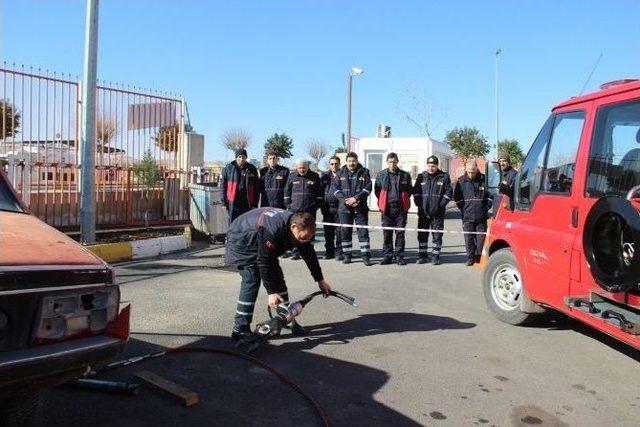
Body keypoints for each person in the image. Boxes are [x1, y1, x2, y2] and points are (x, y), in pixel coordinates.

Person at [225, 208, 331, 340]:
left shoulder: (300, 227)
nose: (302, 242)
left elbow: (308, 253)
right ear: (293, 227)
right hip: (242, 240)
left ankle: (286, 318)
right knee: (252, 278)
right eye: (301, 238)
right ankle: (240, 329)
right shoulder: (273, 230)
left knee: (278, 278)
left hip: (260, 241)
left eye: (306, 239)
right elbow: (263, 260)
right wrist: (271, 293)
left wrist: (320, 280)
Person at [332, 152, 373, 266]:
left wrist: (355, 198)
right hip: (344, 209)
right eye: (349, 161)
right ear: (346, 161)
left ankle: (365, 257)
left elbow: (368, 188)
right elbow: (335, 190)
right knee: (345, 232)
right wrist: (347, 200)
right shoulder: (340, 173)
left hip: (360, 208)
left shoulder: (365, 172)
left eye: (353, 161)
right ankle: (347, 256)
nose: (351, 163)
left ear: (357, 161)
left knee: (363, 232)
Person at [413, 155, 452, 265]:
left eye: (433, 166)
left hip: (437, 213)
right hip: (423, 213)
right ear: (427, 165)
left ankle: (435, 256)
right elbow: (415, 191)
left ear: (437, 166)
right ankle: (422, 256)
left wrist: (441, 205)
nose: (431, 168)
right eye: (429, 166)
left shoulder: (444, 177)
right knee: (422, 235)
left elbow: (449, 193)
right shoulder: (421, 176)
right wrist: (419, 204)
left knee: (437, 235)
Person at [374, 152, 412, 266]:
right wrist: (383, 201)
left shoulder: (405, 175)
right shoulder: (381, 175)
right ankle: (388, 256)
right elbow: (377, 191)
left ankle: (399, 257)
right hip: (387, 209)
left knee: (400, 233)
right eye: (390, 162)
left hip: (400, 209)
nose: (392, 164)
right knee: (387, 233)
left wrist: (404, 201)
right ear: (387, 162)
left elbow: (409, 191)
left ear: (397, 162)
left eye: (394, 162)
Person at [453, 160, 491, 266]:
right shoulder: (461, 181)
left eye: (473, 172)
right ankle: (470, 258)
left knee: (480, 239)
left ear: (476, 169)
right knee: (468, 238)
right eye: (469, 172)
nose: (471, 174)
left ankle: (479, 258)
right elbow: (457, 198)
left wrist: (486, 207)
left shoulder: (484, 179)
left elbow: (490, 196)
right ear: (466, 170)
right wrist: (464, 209)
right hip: (467, 216)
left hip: (481, 216)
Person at [284, 159, 323, 260]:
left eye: (304, 168)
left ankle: (309, 252)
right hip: (295, 210)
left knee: (309, 231)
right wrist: (289, 205)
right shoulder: (292, 176)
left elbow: (319, 194)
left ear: (307, 167)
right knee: (295, 231)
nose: (302, 170)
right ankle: (295, 252)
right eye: (300, 168)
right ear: (297, 167)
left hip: (309, 210)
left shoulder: (314, 176)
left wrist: (315, 206)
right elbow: (287, 192)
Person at [221, 149, 260, 224]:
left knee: (247, 223)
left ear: (246, 158)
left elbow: (256, 188)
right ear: (236, 157)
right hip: (233, 202)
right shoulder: (228, 168)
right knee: (233, 223)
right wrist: (223, 202)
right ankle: (232, 236)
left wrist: (255, 203)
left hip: (247, 202)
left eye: (244, 157)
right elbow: (223, 186)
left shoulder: (251, 169)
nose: (242, 159)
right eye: (239, 157)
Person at [320, 156, 343, 260]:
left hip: (340, 208)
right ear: (329, 165)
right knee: (328, 232)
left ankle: (339, 252)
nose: (334, 165)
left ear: (339, 164)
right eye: (332, 164)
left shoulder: (343, 175)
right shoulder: (324, 176)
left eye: (336, 163)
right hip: (327, 208)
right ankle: (329, 252)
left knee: (339, 231)